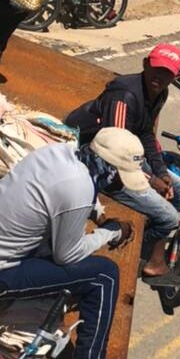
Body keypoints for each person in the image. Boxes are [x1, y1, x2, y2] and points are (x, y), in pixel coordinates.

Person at [0, 128, 140, 359]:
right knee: (104, 276)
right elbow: (67, 256)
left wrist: (98, 214)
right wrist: (110, 232)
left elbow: (71, 191)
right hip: (4, 273)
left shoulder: (58, 154)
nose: (121, 187)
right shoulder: (78, 188)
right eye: (121, 179)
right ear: (110, 171)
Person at [65, 43, 180, 279]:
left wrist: (160, 173)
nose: (159, 76)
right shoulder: (125, 96)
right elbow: (113, 152)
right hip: (98, 159)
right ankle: (138, 252)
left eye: (167, 73)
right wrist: (151, 181)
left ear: (176, 77)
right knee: (169, 217)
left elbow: (146, 134)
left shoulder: (160, 93)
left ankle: (153, 239)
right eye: (157, 68)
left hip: (126, 153)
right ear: (145, 64)